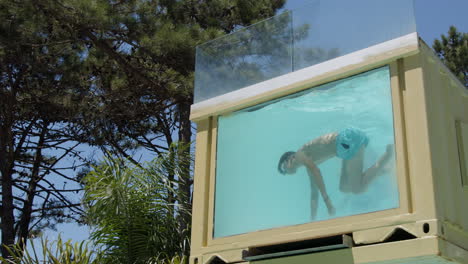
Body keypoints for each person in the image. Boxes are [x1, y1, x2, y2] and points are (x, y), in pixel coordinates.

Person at [277, 127, 393, 220]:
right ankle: (380, 171)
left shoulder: (298, 155)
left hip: (347, 142)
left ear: (289, 159)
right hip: (346, 144)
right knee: (344, 188)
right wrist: (312, 220)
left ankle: (386, 157)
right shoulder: (307, 162)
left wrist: (328, 203)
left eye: (283, 168)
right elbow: (314, 194)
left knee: (357, 189)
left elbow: (317, 172)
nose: (285, 172)